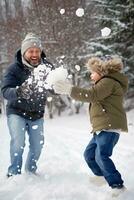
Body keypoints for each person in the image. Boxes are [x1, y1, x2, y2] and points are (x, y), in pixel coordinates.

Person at [53, 56, 128, 192]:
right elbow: (93, 96)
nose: (91, 75)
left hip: (109, 128)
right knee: (89, 155)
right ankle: (101, 176)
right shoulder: (104, 83)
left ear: (101, 72)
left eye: (93, 72)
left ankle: (117, 186)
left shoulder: (108, 82)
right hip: (101, 129)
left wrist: (70, 89)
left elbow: (91, 95)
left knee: (101, 156)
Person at [1, 33, 54, 177]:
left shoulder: (47, 67)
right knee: (18, 143)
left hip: (37, 113)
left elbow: (53, 88)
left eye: (37, 51)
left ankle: (30, 171)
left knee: (38, 145)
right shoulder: (14, 69)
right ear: (24, 52)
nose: (35, 54)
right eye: (31, 51)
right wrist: (18, 91)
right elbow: (5, 91)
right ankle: (14, 173)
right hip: (16, 112)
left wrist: (58, 86)